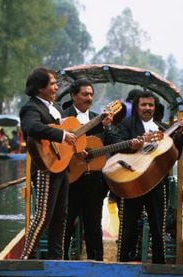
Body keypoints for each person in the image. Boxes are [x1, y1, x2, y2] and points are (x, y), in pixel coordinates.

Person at [110, 90, 183, 264]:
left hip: (157, 183)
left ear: (155, 108)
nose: (147, 108)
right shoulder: (127, 125)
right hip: (132, 182)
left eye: (150, 105)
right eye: (143, 105)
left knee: (158, 228)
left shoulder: (164, 128)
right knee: (128, 227)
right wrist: (133, 146)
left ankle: (159, 265)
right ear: (137, 107)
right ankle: (122, 263)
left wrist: (179, 136)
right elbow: (116, 148)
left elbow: (176, 155)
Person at [19, 67, 77, 260]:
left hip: (61, 166)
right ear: (39, 88)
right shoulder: (31, 108)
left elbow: (70, 133)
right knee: (43, 216)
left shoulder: (57, 108)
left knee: (61, 216)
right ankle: (26, 257)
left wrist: (101, 123)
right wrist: (61, 135)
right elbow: (32, 127)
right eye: (52, 83)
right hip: (45, 167)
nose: (56, 87)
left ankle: (56, 259)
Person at [62, 79, 113, 261]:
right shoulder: (63, 117)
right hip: (71, 179)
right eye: (85, 94)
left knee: (93, 226)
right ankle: (60, 262)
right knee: (66, 224)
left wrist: (110, 128)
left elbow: (110, 143)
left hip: (94, 182)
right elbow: (56, 147)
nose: (89, 98)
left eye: (91, 94)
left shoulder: (99, 118)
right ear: (73, 95)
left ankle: (97, 263)